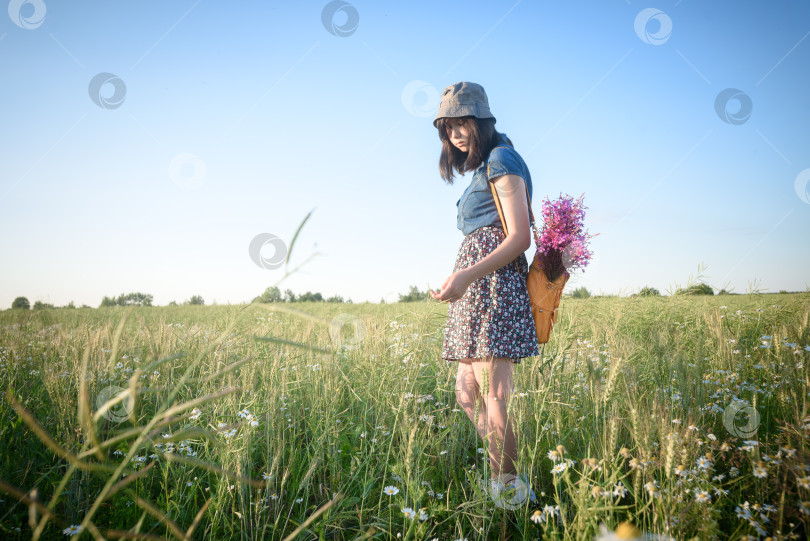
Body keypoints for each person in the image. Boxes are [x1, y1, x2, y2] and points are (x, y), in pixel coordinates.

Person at [429, 82, 539, 508]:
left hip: (493, 288)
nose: (456, 134)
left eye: (463, 123)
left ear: (482, 120)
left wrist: (467, 276)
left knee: (493, 394)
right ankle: (508, 479)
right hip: (475, 288)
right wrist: (455, 280)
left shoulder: (501, 158)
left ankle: (507, 491)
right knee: (465, 393)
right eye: (448, 127)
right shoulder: (483, 167)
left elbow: (519, 237)